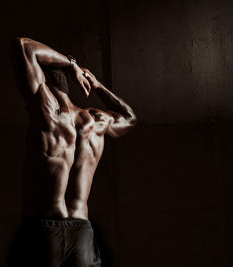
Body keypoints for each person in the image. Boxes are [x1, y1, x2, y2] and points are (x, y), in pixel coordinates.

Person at [9, 37, 137, 267]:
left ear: (43, 81)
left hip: (46, 230)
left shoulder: (45, 108)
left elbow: (22, 46)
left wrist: (70, 64)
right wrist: (96, 85)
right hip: (82, 231)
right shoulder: (96, 121)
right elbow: (129, 118)